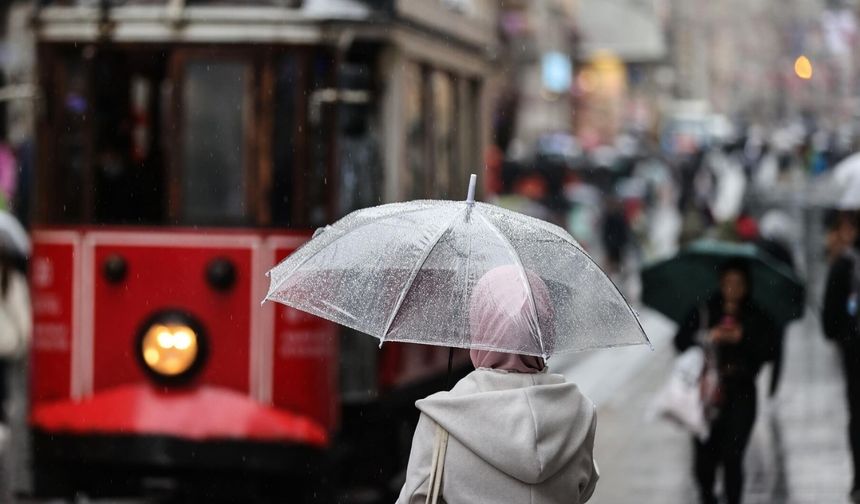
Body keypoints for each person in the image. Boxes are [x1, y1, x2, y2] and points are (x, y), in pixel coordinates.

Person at [396, 266, 599, 504]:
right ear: (546, 330)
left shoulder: (442, 418)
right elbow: (584, 488)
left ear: (480, 326)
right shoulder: (580, 412)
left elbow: (416, 498)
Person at [674, 260, 777, 504]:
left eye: (738, 283)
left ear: (747, 286)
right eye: (728, 283)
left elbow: (770, 350)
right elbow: (680, 341)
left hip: (741, 393)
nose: (732, 289)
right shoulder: (705, 310)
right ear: (720, 283)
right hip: (707, 394)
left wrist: (743, 338)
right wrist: (710, 337)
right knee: (705, 456)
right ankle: (707, 495)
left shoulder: (756, 315)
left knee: (734, 455)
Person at [822, 213, 860, 503]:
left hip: (854, 352)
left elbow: (828, 321)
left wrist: (843, 337)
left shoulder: (843, 264)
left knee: (857, 414)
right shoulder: (844, 264)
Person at [0, 251, 30, 425]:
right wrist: (26, 338)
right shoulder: (13, 279)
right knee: (6, 381)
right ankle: (4, 415)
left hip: (5, 342)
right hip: (7, 342)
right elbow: (21, 313)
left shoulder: (12, 280)